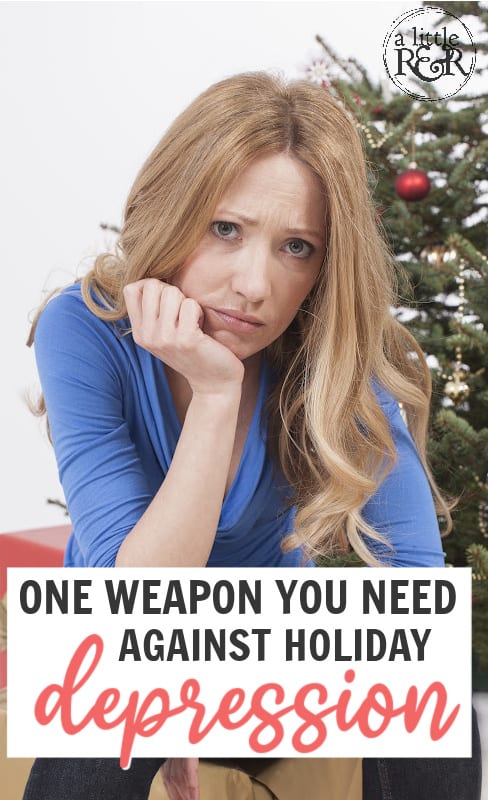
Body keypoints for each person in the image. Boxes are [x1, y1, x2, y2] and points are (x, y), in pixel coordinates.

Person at [23, 72, 481, 800]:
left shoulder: (334, 361)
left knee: (433, 668)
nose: (253, 285)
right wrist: (213, 392)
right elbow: (129, 606)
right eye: (225, 229)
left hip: (265, 659)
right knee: (106, 694)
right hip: (125, 644)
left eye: (295, 247)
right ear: (171, 211)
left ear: (323, 267)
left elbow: (417, 595)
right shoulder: (83, 330)